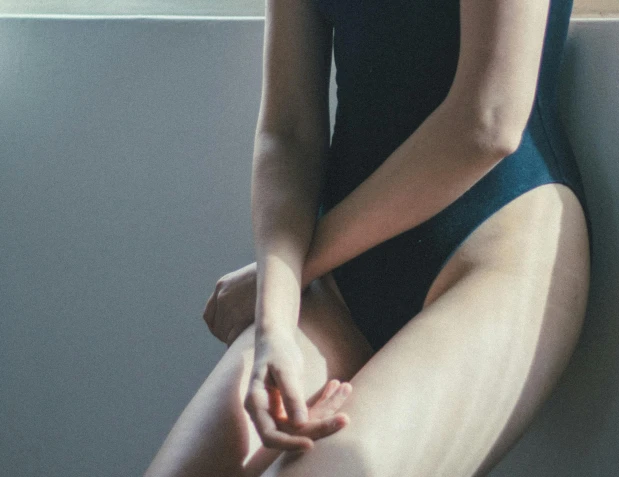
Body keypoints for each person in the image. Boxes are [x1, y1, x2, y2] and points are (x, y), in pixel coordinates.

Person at [146, 0, 590, 475]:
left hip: (493, 247)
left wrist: (292, 276)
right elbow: (289, 132)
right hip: (345, 267)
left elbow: (487, 123)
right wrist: (275, 316)